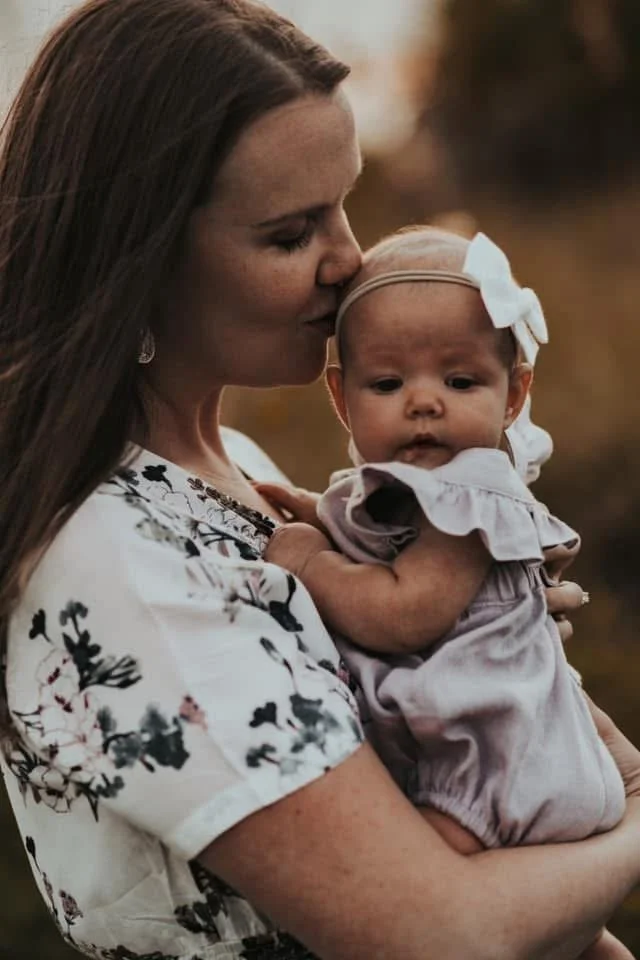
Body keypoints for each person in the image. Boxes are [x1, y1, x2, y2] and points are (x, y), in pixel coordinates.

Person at [1, 1, 640, 958]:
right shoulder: (117, 567)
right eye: (292, 234)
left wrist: (491, 646)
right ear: (139, 262)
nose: (348, 261)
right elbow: (445, 939)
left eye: (343, 204)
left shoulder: (241, 474)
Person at [259, 225, 630, 958]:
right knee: (577, 941)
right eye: (388, 384)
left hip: (492, 773)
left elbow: (405, 612)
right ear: (341, 396)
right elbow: (376, 535)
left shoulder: (473, 491)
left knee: (414, 916)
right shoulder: (419, 487)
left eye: (460, 382)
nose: (424, 403)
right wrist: (315, 511)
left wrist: (308, 561)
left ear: (516, 392)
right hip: (500, 760)